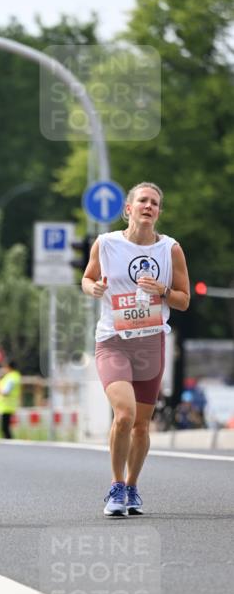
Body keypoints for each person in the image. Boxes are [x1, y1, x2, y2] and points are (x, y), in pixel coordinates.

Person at [82, 182, 190, 516]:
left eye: (154, 203)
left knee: (142, 425)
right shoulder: (107, 244)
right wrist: (95, 288)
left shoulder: (170, 250)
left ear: (158, 212)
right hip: (113, 339)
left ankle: (132, 487)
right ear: (128, 208)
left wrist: (163, 290)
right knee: (125, 414)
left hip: (150, 341)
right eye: (142, 201)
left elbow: (184, 300)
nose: (148, 206)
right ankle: (116, 487)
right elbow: (86, 279)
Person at [0, 357, 22, 439]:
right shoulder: (15, 376)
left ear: (8, 367)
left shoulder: (10, 378)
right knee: (5, 428)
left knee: (4, 428)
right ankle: (9, 442)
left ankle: (10, 443)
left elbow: (5, 392)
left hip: (6, 406)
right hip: (9, 405)